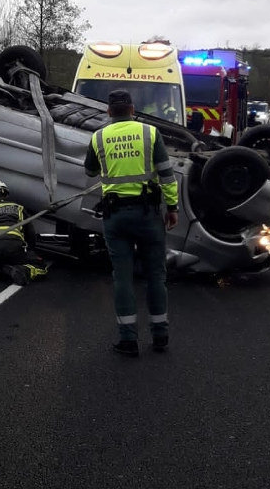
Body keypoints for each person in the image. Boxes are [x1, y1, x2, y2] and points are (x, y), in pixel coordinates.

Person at [84, 89, 179, 356]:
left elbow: (90, 170)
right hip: (148, 215)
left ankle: (128, 340)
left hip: (116, 218)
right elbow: (167, 175)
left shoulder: (99, 137)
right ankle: (160, 335)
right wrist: (172, 207)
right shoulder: (150, 133)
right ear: (133, 108)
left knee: (122, 278)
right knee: (155, 275)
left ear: (109, 112)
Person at [0, 179, 49, 286]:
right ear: (6, 194)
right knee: (41, 266)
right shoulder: (18, 208)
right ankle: (23, 271)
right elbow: (30, 233)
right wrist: (29, 251)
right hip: (14, 246)